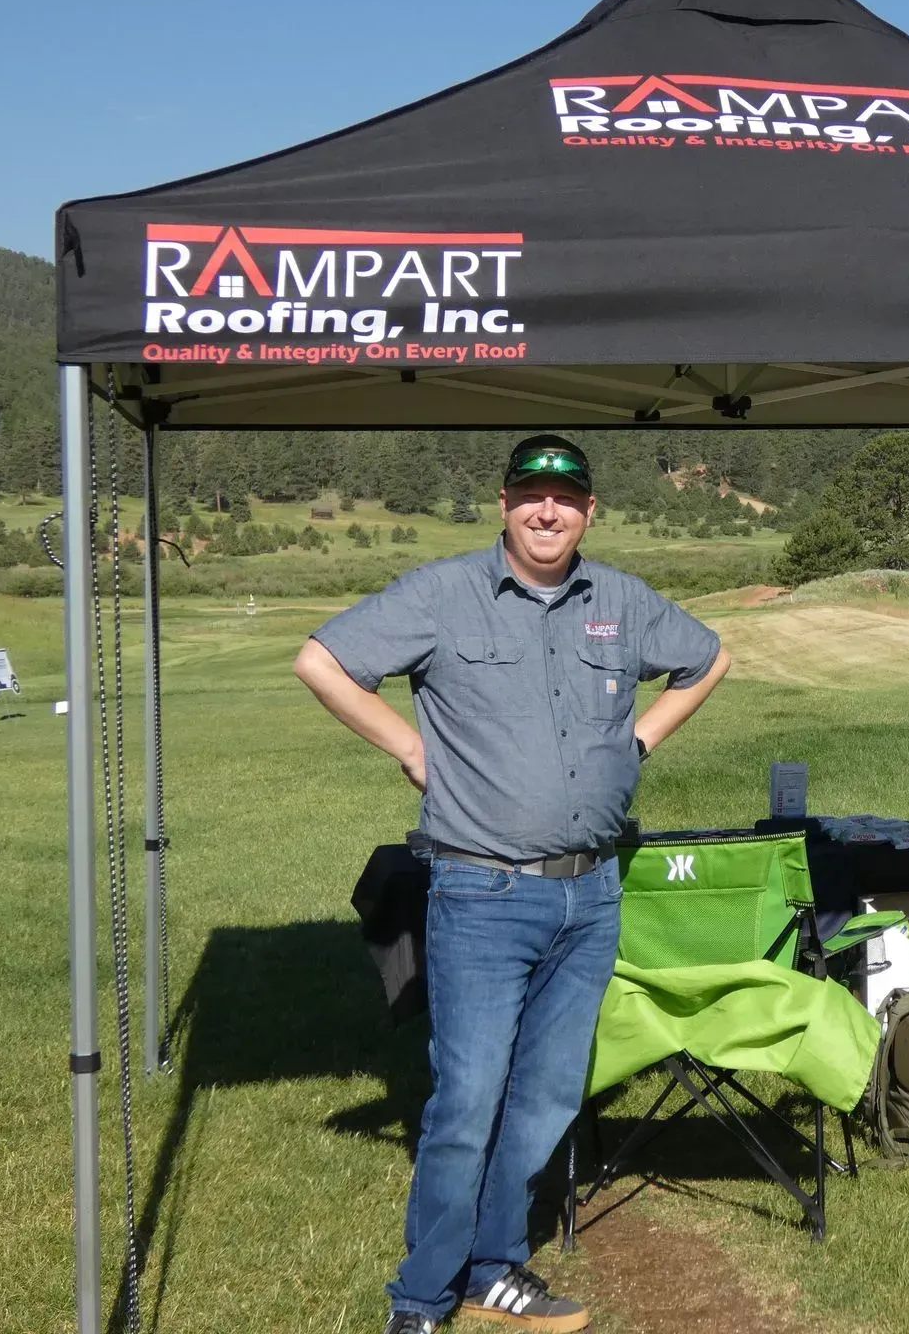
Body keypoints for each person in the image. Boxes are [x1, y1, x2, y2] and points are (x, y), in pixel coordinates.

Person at [294, 435, 730, 1333]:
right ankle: (422, 1296)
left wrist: (638, 742)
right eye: (532, 494)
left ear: (589, 512)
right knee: (468, 1099)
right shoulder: (443, 595)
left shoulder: (619, 600)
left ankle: (495, 1267)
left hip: (592, 895)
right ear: (502, 502)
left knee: (545, 1100)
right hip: (483, 893)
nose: (547, 511)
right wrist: (410, 747)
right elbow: (322, 662)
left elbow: (708, 659)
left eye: (566, 499)